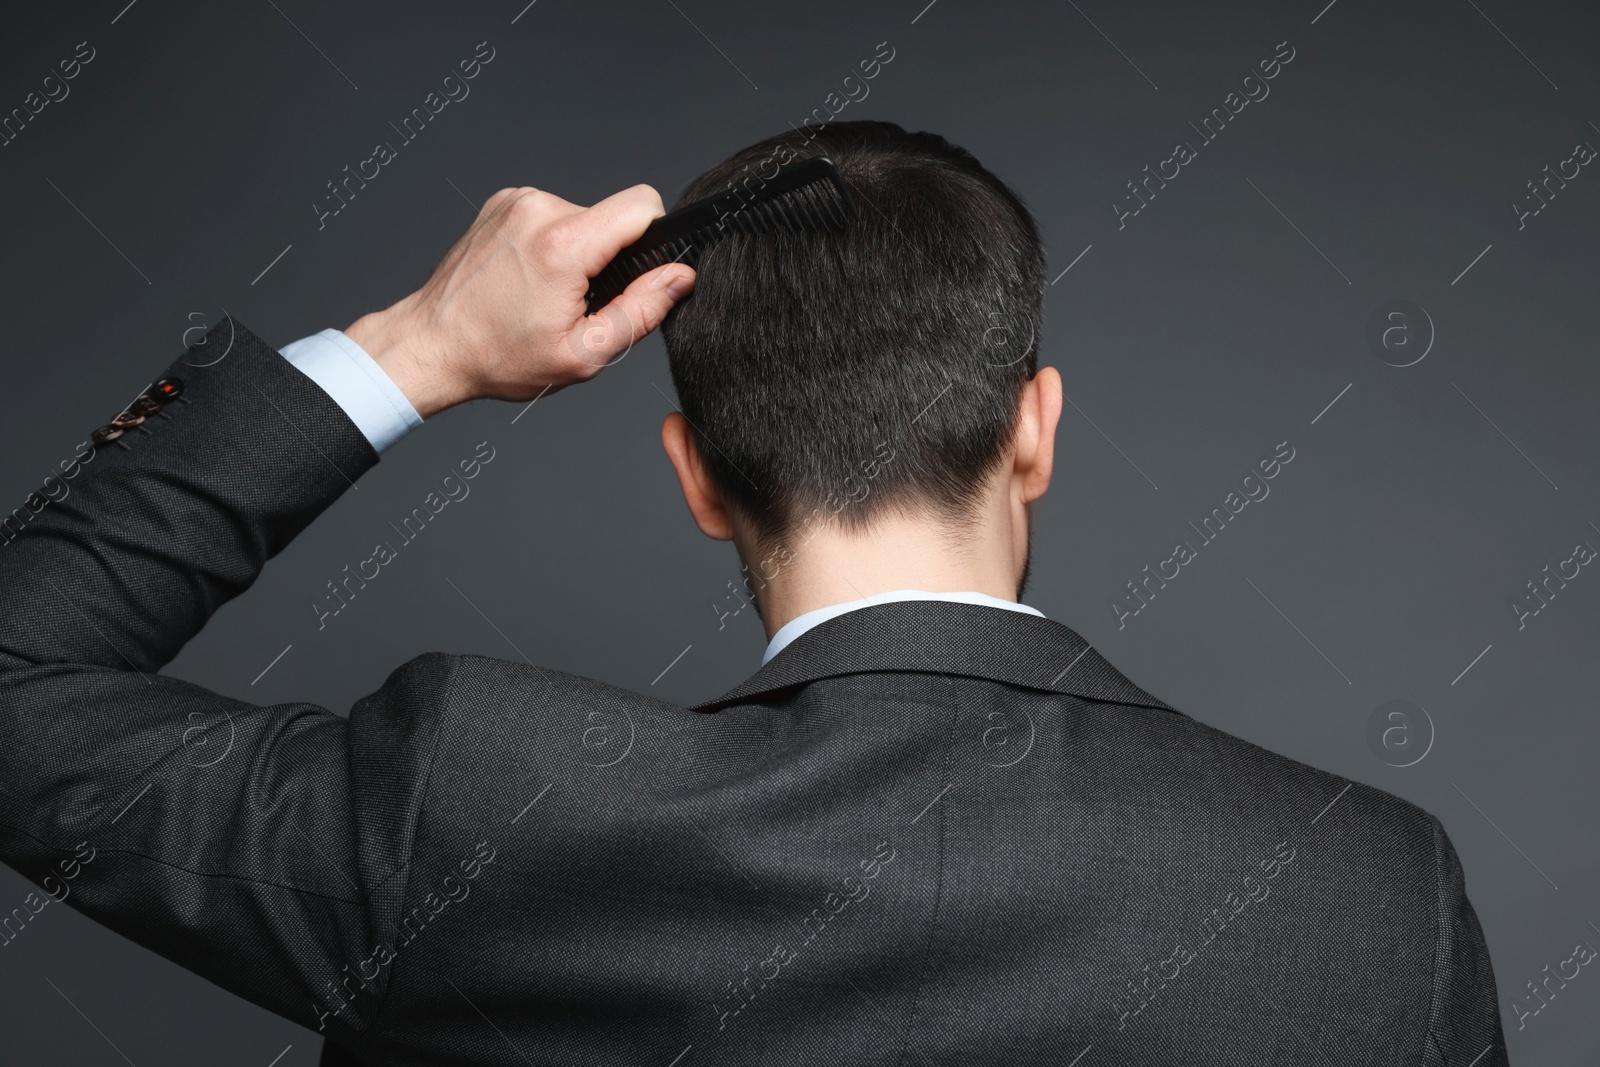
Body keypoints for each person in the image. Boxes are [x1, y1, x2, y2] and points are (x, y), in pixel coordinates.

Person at [0, 121, 1503, 1065]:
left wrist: (420, 348)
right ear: (1034, 428)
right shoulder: (1373, 898)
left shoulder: (476, 814)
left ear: (694, 472)